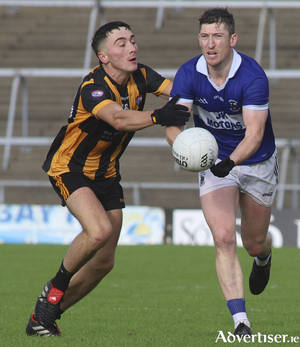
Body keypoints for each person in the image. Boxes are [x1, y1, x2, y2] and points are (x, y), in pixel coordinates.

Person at [26, 21, 190, 337]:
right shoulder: (94, 88)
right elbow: (117, 118)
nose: (132, 47)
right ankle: (55, 288)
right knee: (98, 231)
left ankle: (42, 319)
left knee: (103, 263)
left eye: (132, 40)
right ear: (104, 57)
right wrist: (159, 117)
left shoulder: (141, 75)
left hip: (107, 173)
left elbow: (180, 90)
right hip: (70, 168)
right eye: (121, 44)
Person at [166, 7, 278, 336]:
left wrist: (231, 161)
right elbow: (174, 124)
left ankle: (263, 257)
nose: (209, 43)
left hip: (255, 162)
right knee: (224, 238)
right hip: (216, 164)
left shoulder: (252, 76)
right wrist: (184, 147)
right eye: (204, 36)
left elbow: (255, 134)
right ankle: (240, 321)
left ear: (232, 39)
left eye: (217, 36)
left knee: (253, 243)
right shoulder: (188, 73)